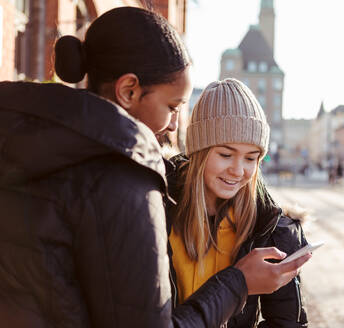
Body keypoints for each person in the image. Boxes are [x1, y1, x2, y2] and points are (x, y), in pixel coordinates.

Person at [0, 7, 309, 328]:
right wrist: (238, 282)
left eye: (251, 157)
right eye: (172, 106)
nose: (175, 125)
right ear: (128, 90)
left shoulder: (35, 148)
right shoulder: (133, 186)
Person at [165, 79, 309, 327]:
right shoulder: (158, 210)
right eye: (225, 154)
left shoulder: (270, 228)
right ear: (198, 151)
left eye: (251, 158)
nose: (238, 170)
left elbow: (287, 322)